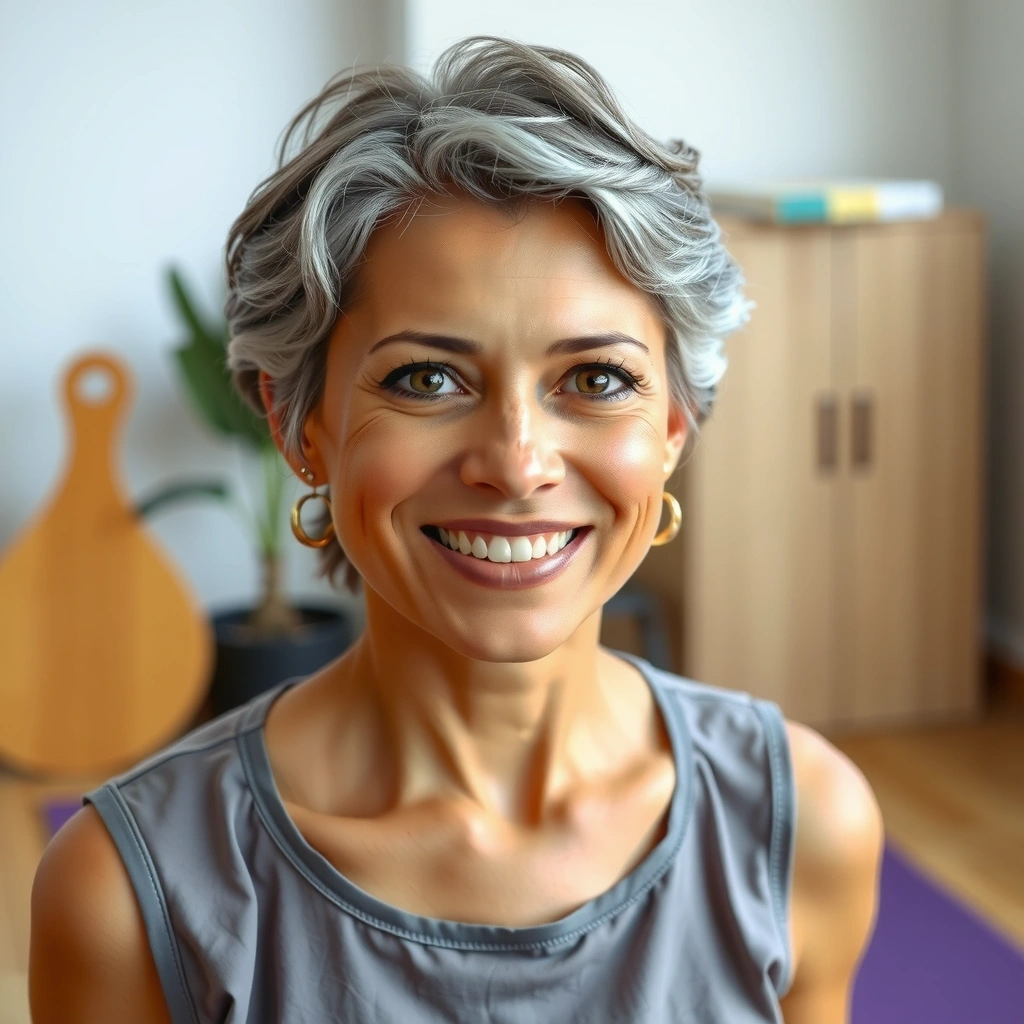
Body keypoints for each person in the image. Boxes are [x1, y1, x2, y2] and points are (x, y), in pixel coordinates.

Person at [29, 36, 883, 1023]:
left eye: (596, 380)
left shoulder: (803, 825)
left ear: (673, 428)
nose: (517, 463)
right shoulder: (128, 896)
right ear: (299, 424)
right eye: (426, 378)